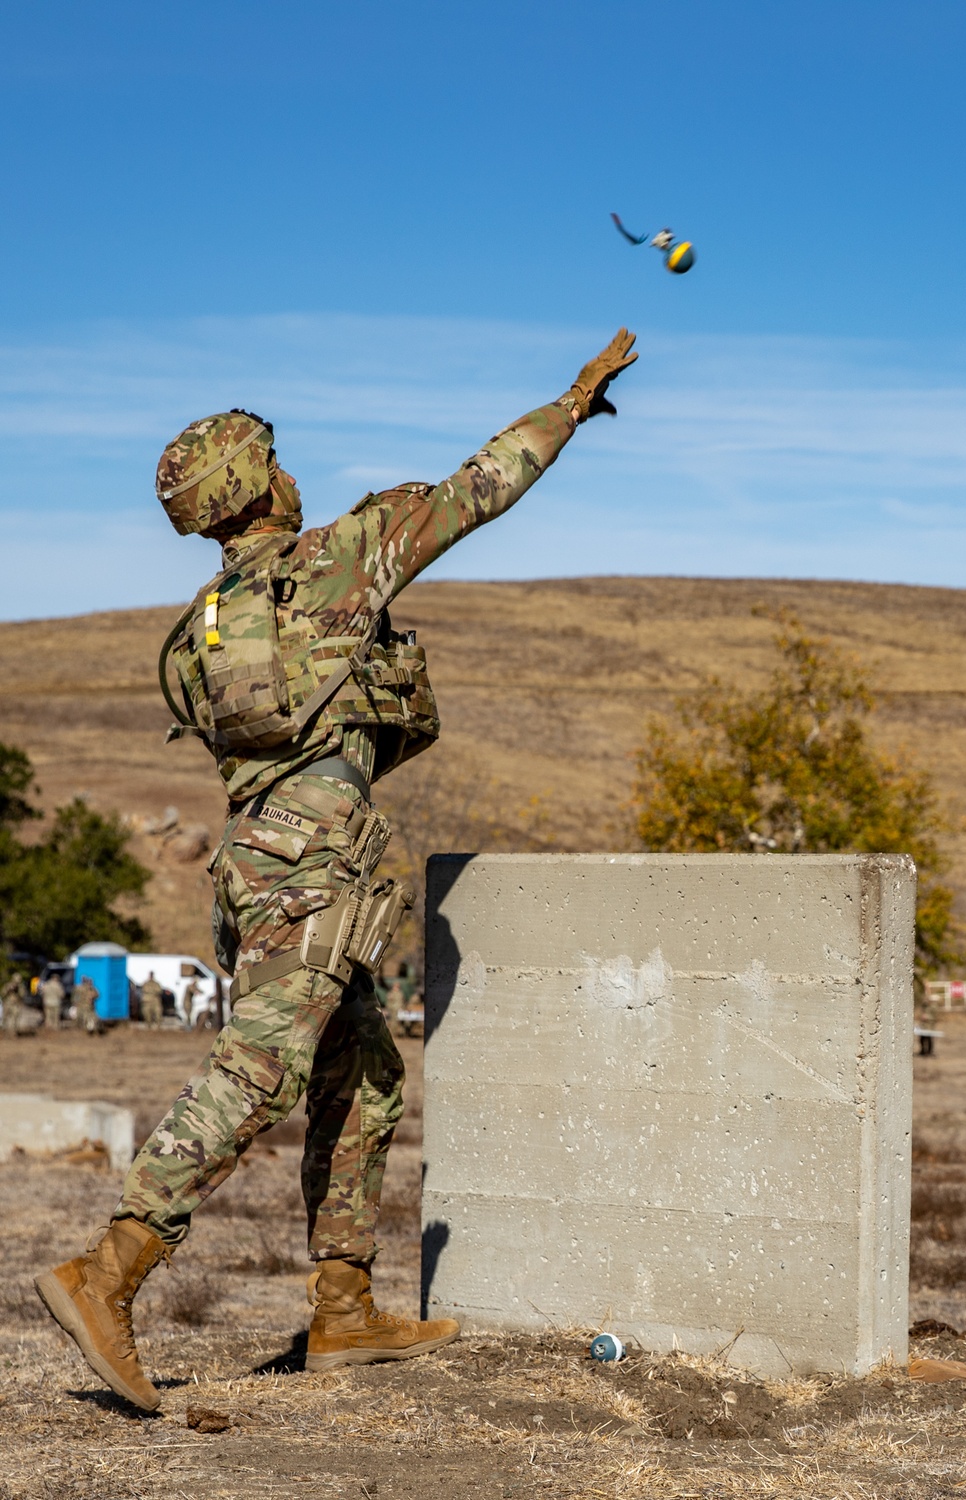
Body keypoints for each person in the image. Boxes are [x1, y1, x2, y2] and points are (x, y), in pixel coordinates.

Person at [35, 328, 638, 1413]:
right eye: (275, 459)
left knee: (362, 1070)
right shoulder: (347, 554)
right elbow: (479, 487)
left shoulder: (196, 635)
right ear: (264, 483)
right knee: (257, 1072)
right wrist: (568, 405)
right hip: (312, 866)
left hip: (254, 863)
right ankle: (107, 1271)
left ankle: (344, 1309)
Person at [1, 972, 27, 1037]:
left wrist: (18, 990)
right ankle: (3, 1031)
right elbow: (2, 993)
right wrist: (8, 989)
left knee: (15, 1018)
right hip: (8, 1003)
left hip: (16, 1004)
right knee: (5, 1017)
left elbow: (22, 995)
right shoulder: (8, 985)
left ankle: (13, 1032)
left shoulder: (21, 987)